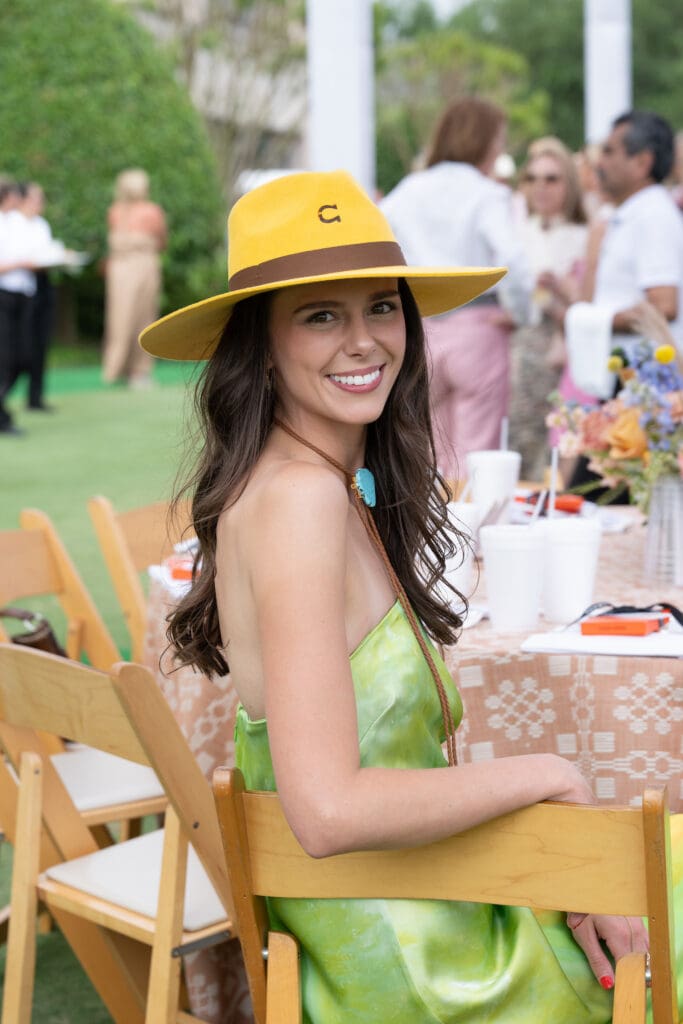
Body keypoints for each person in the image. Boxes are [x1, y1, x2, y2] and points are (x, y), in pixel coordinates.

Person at [140, 169, 682, 1023]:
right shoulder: (297, 503)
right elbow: (325, 810)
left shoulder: (324, 478)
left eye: (380, 307)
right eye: (321, 315)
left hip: (422, 891)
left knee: (657, 869)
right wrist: (553, 776)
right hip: (411, 958)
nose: (364, 342)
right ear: (261, 343)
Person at [380, 97, 532, 477]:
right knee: (477, 455)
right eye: (498, 140)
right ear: (484, 141)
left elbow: (376, 241)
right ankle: (474, 536)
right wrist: (520, 312)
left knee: (425, 450)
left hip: (420, 326)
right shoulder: (487, 193)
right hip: (478, 325)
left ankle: (429, 535)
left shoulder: (408, 190)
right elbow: (512, 258)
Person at [507, 137, 589, 480]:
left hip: (572, 352)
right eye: (533, 178)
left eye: (552, 178)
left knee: (561, 443)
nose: (541, 187)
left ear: (568, 183)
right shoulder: (518, 233)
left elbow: (590, 302)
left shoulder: (585, 235)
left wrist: (560, 291)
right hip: (524, 345)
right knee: (521, 436)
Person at [102, 168, 166, 388]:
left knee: (120, 317)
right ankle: (138, 371)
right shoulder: (151, 211)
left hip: (119, 268)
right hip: (141, 266)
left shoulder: (115, 211)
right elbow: (161, 241)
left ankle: (115, 368)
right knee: (141, 317)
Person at [0, 180, 36, 435]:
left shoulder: (14, 224)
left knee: (22, 358)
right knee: (6, 360)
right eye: (14, 197)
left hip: (21, 296)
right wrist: (21, 263)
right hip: (2, 296)